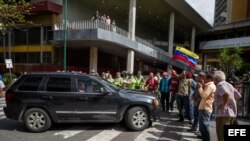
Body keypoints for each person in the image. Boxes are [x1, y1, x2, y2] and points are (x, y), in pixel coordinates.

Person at [213, 71, 241, 141]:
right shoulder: (229, 85)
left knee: (221, 136)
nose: (213, 79)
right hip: (231, 114)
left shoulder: (220, 85)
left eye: (214, 78)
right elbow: (238, 96)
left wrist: (224, 104)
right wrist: (231, 103)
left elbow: (226, 94)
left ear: (217, 78)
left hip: (223, 114)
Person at [197, 73, 216, 141]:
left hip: (205, 108)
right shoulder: (209, 85)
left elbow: (204, 96)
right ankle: (205, 138)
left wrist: (200, 88)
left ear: (209, 79)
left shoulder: (210, 86)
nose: (204, 80)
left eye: (205, 79)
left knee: (204, 126)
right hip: (205, 107)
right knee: (203, 126)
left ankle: (206, 139)